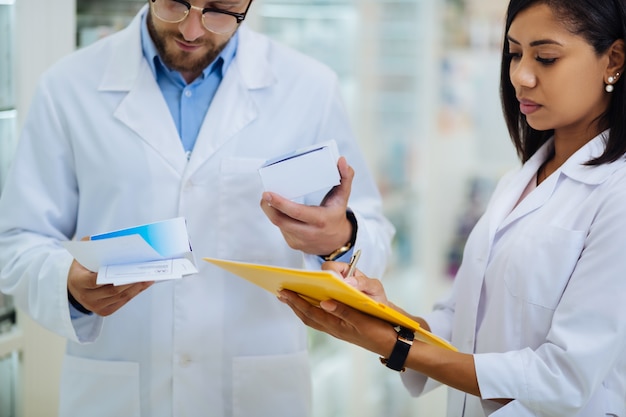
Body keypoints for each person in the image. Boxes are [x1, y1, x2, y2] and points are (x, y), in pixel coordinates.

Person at [0, 1, 395, 416]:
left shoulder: (309, 87)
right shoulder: (68, 86)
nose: (191, 29)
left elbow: (373, 232)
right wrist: (69, 285)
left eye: (219, 10)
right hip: (118, 391)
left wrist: (341, 239)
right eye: (175, 2)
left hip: (257, 391)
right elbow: (16, 241)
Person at [279, 0, 626, 415]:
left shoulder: (616, 193)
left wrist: (397, 346)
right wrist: (380, 316)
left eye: (546, 58)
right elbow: (460, 323)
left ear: (614, 60)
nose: (520, 75)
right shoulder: (519, 182)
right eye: (514, 53)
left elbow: (563, 379)